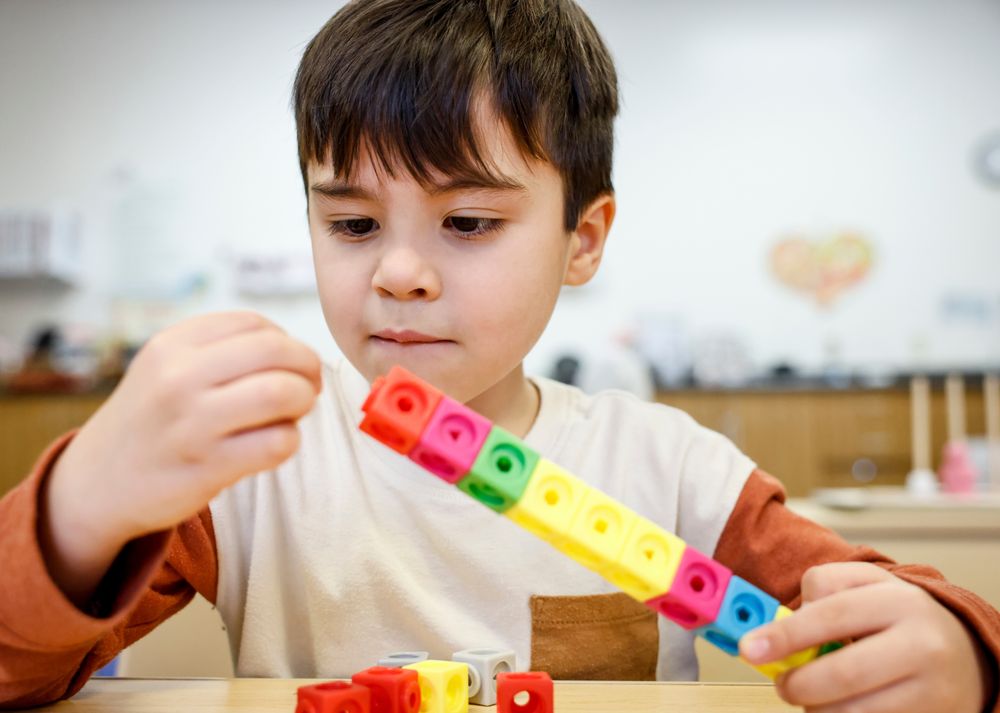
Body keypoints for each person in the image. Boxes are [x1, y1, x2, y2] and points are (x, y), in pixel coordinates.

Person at [1, 1, 997, 711]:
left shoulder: (673, 469)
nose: (396, 271)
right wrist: (84, 502)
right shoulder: (249, 471)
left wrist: (960, 653)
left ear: (583, 239)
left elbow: (891, 608)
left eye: (467, 219)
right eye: (349, 222)